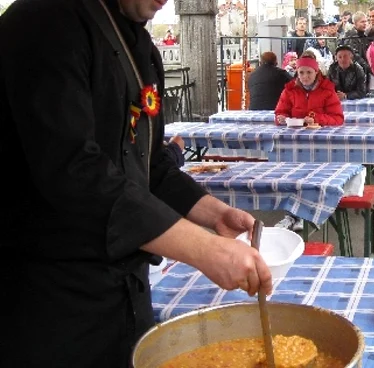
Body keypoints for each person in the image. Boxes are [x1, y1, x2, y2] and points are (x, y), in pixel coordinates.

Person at [0, 0, 273, 366]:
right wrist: (203, 249)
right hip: (52, 300)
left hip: (126, 292)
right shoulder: (42, 22)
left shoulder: (137, 44)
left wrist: (214, 214)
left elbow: (151, 164)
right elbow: (75, 171)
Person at [273, 56, 344, 231]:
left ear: (316, 72)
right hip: (293, 143)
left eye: (309, 72)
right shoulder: (289, 91)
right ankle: (293, 215)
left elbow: (338, 119)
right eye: (301, 72)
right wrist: (280, 119)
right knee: (291, 178)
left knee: (311, 178)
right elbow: (279, 112)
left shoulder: (327, 91)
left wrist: (315, 118)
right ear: (297, 73)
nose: (305, 76)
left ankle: (309, 212)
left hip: (321, 144)